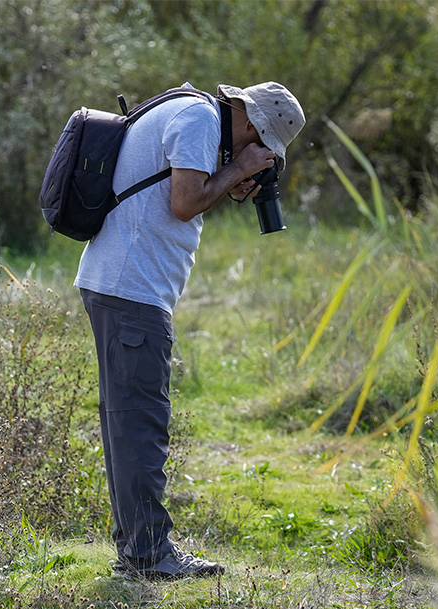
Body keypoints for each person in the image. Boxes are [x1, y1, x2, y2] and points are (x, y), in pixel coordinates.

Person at [75, 81, 304, 580]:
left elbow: (176, 196)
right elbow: (183, 203)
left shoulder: (194, 115)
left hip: (120, 285)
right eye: (260, 146)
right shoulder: (201, 120)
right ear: (251, 123)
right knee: (141, 427)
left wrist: (231, 174)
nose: (258, 155)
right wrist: (239, 169)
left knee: (128, 425)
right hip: (131, 289)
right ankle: (151, 557)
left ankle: (138, 552)